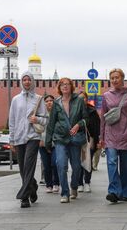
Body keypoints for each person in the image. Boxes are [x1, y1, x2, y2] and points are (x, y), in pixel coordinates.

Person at [99, 68, 127, 203]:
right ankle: (114, 192)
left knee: (126, 165)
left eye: (117, 77)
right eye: (112, 78)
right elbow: (103, 117)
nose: (114, 80)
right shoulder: (106, 96)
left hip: (126, 134)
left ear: (122, 78)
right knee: (111, 162)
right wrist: (101, 136)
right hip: (110, 134)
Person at [45, 77, 89, 203]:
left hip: (74, 139)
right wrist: (48, 142)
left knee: (76, 167)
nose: (65, 86)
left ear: (71, 86)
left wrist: (78, 125)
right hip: (60, 138)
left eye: (67, 84)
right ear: (59, 87)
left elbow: (86, 118)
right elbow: (51, 123)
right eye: (62, 84)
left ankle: (74, 186)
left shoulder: (79, 101)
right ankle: (65, 193)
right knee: (61, 164)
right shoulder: (56, 103)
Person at [9, 71, 48, 208]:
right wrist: (11, 139)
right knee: (22, 168)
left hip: (33, 136)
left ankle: (23, 197)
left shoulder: (38, 99)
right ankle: (33, 187)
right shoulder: (15, 100)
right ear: (21, 82)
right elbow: (12, 120)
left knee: (29, 165)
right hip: (19, 137)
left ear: (32, 82)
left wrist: (36, 119)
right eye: (24, 79)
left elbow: (45, 120)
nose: (26, 82)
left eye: (29, 79)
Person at [76, 91, 100, 193]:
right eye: (80, 98)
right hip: (77, 140)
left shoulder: (92, 111)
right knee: (78, 162)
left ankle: (87, 183)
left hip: (89, 140)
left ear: (87, 99)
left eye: (84, 98)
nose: (82, 100)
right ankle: (79, 183)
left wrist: (95, 140)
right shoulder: (75, 111)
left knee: (88, 162)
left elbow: (97, 127)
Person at [39, 94, 59, 193]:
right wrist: (39, 140)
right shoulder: (41, 115)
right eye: (46, 101)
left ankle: (56, 183)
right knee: (46, 165)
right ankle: (49, 185)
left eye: (51, 100)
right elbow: (37, 129)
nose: (49, 102)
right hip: (42, 144)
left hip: (55, 144)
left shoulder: (58, 114)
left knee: (55, 163)